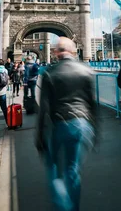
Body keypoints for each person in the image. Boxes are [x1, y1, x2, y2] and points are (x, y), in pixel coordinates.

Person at [36, 37, 98, 211]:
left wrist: (39, 137)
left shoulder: (49, 72)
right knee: (72, 169)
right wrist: (96, 131)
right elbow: (92, 104)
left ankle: (65, 206)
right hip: (82, 124)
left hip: (59, 124)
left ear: (56, 52)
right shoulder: (86, 70)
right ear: (74, 51)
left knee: (54, 167)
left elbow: (43, 109)